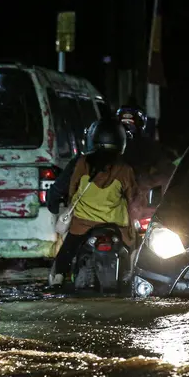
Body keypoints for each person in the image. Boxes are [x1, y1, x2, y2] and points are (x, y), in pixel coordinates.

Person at [49, 118, 137, 287]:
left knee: (66, 252)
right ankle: (131, 274)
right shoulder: (125, 168)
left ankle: (58, 278)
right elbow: (133, 196)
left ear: (92, 138)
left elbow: (69, 188)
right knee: (134, 249)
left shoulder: (80, 163)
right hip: (117, 225)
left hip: (82, 224)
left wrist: (56, 204)